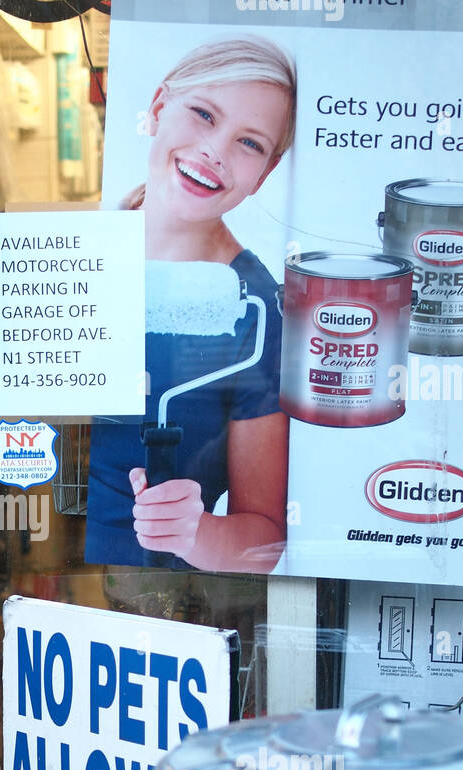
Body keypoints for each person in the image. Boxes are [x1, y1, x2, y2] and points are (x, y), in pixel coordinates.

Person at [84, 36, 295, 575]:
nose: (216, 150)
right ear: (158, 108)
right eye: (204, 114)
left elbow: (265, 538)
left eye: (250, 144)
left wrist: (197, 533)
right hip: (33, 588)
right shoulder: (68, 254)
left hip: (165, 610)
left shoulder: (256, 311)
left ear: (265, 175)